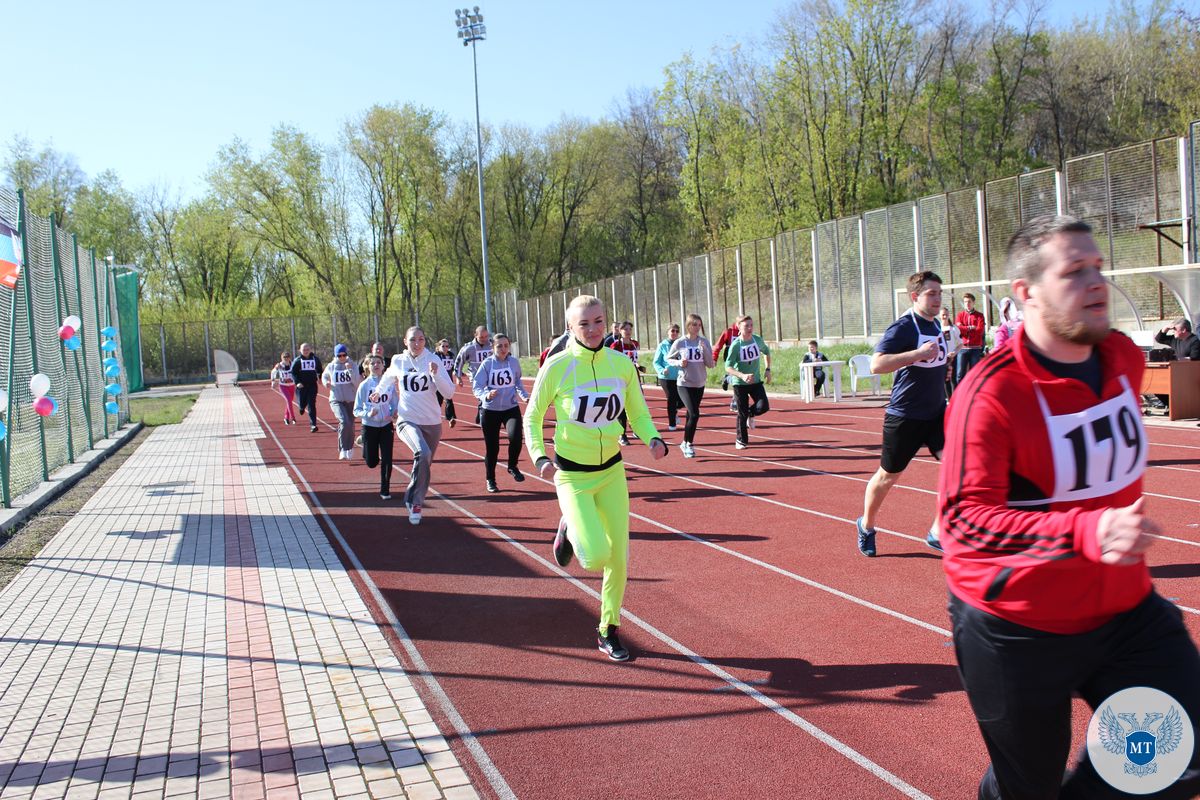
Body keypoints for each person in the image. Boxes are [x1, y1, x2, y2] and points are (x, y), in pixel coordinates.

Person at [939, 214, 1200, 799]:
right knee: (1026, 787)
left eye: (1099, 268)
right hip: (1016, 626)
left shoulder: (1123, 360)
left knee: (1177, 753)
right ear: (1026, 294)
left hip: (1124, 609)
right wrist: (1087, 529)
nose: (1096, 282)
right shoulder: (993, 395)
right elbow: (962, 522)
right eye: (1075, 271)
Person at [524, 294, 668, 662]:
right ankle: (568, 529)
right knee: (593, 557)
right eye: (584, 324)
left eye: (599, 321)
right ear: (570, 327)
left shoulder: (620, 364)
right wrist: (539, 455)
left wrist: (652, 436)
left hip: (612, 473)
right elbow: (533, 417)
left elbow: (636, 408)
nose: (593, 330)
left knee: (618, 558)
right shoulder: (557, 367)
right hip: (572, 475)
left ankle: (608, 629)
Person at [856, 271, 947, 557]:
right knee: (888, 476)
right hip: (905, 416)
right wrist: (917, 354)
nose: (938, 299)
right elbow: (876, 364)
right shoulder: (904, 326)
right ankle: (866, 525)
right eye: (931, 294)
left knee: (959, 471)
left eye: (940, 293)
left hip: (936, 414)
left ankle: (938, 531)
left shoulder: (936, 325)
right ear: (915, 297)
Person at [374, 326, 455, 525]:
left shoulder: (434, 360)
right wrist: (378, 391)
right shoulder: (398, 360)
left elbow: (449, 393)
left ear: (425, 341)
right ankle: (415, 501)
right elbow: (388, 378)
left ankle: (415, 497)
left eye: (420, 339)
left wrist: (436, 375)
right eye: (412, 340)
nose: (417, 344)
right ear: (405, 341)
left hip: (432, 422)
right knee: (423, 453)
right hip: (407, 419)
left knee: (425, 463)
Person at [473, 334, 529, 492]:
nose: (503, 349)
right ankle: (490, 479)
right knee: (493, 448)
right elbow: (477, 386)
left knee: (516, 437)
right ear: (493, 348)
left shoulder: (514, 362)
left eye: (506, 345)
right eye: (499, 346)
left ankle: (512, 466)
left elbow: (518, 382)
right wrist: (486, 395)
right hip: (490, 410)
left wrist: (525, 396)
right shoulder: (487, 364)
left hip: (510, 408)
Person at [666, 314, 714, 459]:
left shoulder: (704, 341)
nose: (697, 328)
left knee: (690, 415)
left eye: (699, 325)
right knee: (694, 413)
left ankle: (685, 441)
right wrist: (679, 363)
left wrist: (704, 350)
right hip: (684, 383)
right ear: (688, 326)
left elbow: (711, 364)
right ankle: (689, 444)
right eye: (694, 325)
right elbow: (668, 358)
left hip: (699, 383)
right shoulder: (680, 342)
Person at [353, 356, 398, 500]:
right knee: (372, 462)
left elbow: (395, 402)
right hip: (369, 426)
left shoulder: (389, 385)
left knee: (387, 458)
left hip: (386, 426)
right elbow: (356, 410)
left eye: (378, 362)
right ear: (368, 366)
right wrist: (368, 413)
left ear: (383, 365)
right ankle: (365, 447)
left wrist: (393, 413)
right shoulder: (364, 385)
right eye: (372, 363)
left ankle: (385, 490)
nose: (376, 365)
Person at [723, 315, 771, 449]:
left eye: (751, 325)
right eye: (746, 326)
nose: (750, 328)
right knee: (741, 413)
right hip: (740, 383)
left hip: (755, 381)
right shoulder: (736, 345)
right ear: (739, 327)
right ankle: (741, 440)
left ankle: (751, 413)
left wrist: (768, 369)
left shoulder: (757, 339)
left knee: (763, 406)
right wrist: (742, 376)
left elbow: (766, 352)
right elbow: (728, 367)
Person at [321, 344, 362, 460]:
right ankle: (343, 449)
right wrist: (326, 383)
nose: (342, 357)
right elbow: (324, 376)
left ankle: (349, 447)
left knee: (350, 424)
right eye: (340, 356)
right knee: (344, 422)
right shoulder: (331, 366)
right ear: (336, 355)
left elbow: (356, 382)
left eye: (344, 355)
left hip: (351, 400)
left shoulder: (353, 365)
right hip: (336, 399)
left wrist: (350, 370)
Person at [609, 322, 645, 446]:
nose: (628, 331)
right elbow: (612, 361)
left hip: (634, 378)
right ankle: (622, 434)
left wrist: (638, 366)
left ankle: (636, 429)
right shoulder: (616, 345)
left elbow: (633, 361)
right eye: (625, 329)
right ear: (620, 330)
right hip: (620, 379)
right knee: (622, 408)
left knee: (636, 404)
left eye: (630, 329)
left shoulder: (635, 344)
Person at [455, 326, 493, 425]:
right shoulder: (468, 348)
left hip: (491, 376)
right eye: (481, 337)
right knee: (483, 397)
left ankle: (481, 415)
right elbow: (459, 362)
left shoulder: (492, 345)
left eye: (486, 336)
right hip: (476, 378)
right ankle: (483, 421)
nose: (484, 339)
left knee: (490, 398)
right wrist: (458, 377)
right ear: (475, 335)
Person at [652, 323, 683, 432]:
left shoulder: (681, 344)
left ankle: (674, 412)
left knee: (682, 400)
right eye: (672, 331)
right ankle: (672, 424)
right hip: (666, 377)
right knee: (671, 398)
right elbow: (656, 362)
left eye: (676, 331)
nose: (674, 333)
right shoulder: (662, 345)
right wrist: (662, 370)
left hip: (679, 377)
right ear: (668, 332)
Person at [289, 343, 323, 432]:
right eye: (304, 350)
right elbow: (293, 373)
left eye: (307, 349)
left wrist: (320, 377)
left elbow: (320, 369)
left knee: (311, 404)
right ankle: (301, 407)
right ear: (300, 350)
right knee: (302, 403)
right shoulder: (297, 360)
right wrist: (297, 383)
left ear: (310, 349)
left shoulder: (315, 359)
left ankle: (313, 425)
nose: (306, 351)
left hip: (312, 385)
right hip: (301, 386)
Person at [955, 292, 986, 383]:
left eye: (969, 302)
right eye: (965, 302)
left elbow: (980, 331)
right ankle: (959, 395)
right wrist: (970, 328)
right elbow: (958, 329)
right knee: (960, 374)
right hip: (962, 348)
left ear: (973, 302)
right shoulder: (960, 315)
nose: (967, 304)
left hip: (975, 349)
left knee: (975, 374)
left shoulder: (979, 316)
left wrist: (965, 329)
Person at [713, 320, 741, 410]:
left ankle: (727, 378)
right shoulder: (728, 332)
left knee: (739, 379)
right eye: (740, 323)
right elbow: (718, 345)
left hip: (742, 358)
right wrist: (714, 358)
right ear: (736, 323)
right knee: (737, 379)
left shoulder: (747, 330)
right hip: (730, 358)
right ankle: (735, 402)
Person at [434, 339, 459, 428]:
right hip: (438, 382)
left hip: (448, 382)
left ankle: (451, 418)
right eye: (443, 346)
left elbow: (451, 369)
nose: (445, 348)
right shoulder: (435, 357)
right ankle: (433, 418)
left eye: (447, 346)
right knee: (438, 402)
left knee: (449, 399)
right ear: (438, 347)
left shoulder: (450, 356)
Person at [939, 307, 962, 399]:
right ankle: (948, 399)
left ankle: (955, 399)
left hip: (952, 358)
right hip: (941, 358)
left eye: (946, 314)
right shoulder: (937, 327)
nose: (945, 316)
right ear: (940, 316)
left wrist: (954, 353)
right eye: (943, 315)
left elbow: (960, 344)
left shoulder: (953, 328)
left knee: (953, 379)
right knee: (944, 380)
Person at [270, 351, 297, 425]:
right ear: (282, 358)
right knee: (288, 400)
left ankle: (286, 417)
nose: (286, 358)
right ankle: (293, 418)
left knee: (289, 402)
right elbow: (273, 372)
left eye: (287, 357)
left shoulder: (293, 364)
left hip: (291, 386)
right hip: (283, 386)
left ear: (290, 357)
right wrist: (273, 381)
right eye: (284, 357)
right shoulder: (279, 365)